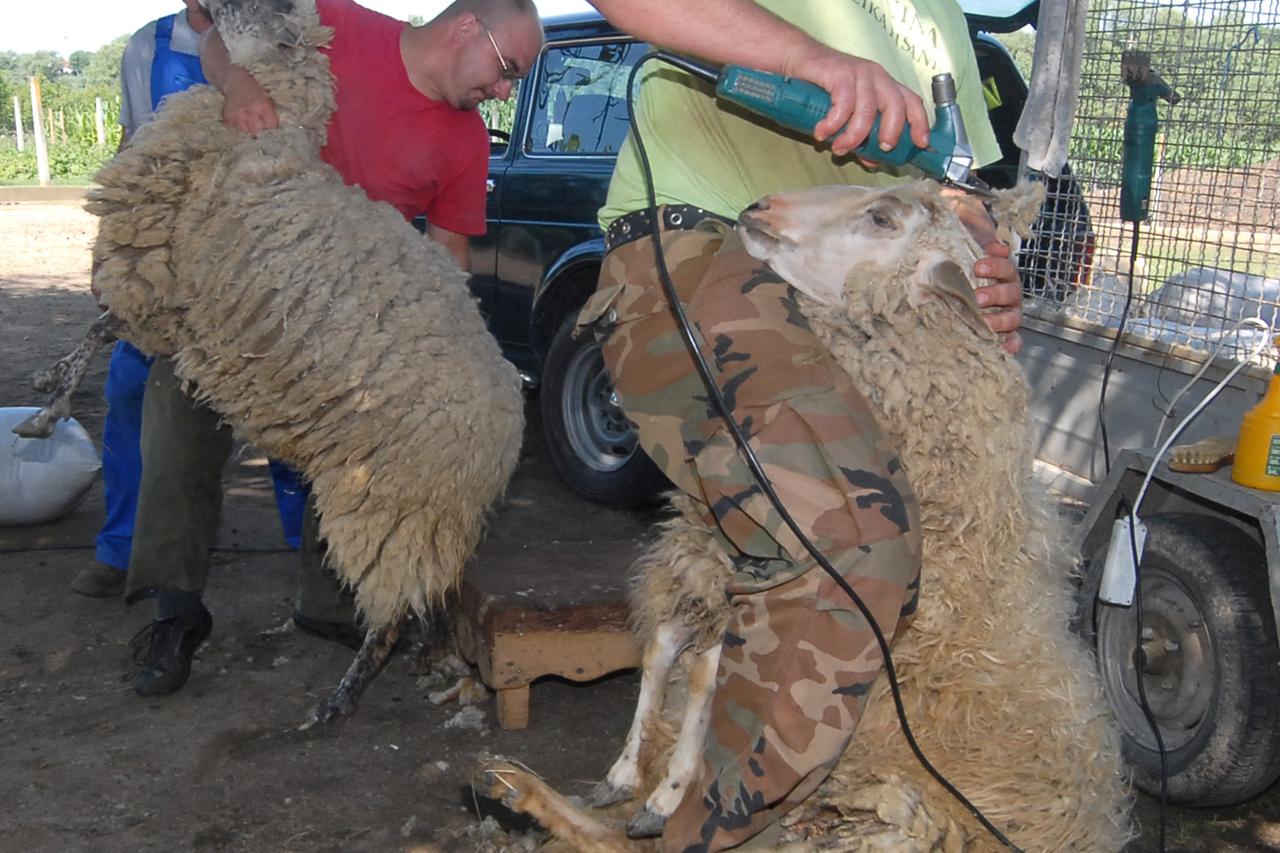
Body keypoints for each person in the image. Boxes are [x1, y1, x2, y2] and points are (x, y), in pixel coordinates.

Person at [574, 1, 1024, 849]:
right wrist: (812, 58)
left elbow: (954, 193)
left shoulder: (944, 23)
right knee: (853, 532)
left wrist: (988, 268)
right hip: (718, 245)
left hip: (852, 305)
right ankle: (707, 835)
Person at [125, 0, 545, 696]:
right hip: (238, 287)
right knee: (179, 403)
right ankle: (172, 610)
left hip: (342, 320)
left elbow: (448, 266)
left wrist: (452, 366)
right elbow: (212, 26)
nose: (504, 92)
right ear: (468, 27)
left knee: (367, 428)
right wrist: (237, 84)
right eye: (508, 72)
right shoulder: (335, 24)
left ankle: (331, 602)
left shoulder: (466, 141)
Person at [72, 0, 308, 600]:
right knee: (132, 389)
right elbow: (132, 147)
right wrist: (112, 248)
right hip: (173, 254)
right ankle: (123, 549)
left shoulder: (286, 33)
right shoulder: (147, 46)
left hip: (262, 246)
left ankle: (308, 545)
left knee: (293, 400)